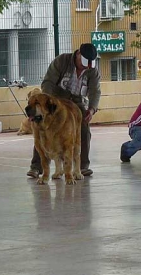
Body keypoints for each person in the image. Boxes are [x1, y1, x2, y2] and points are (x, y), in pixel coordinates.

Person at [27, 43, 101, 178]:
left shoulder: (92, 71)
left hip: (77, 102)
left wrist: (91, 109)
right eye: (84, 62)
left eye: (89, 63)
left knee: (84, 129)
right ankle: (36, 167)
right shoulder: (61, 61)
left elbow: (95, 91)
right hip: (56, 101)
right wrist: (49, 105)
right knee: (42, 131)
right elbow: (47, 83)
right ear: (78, 54)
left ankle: (82, 166)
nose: (86, 66)